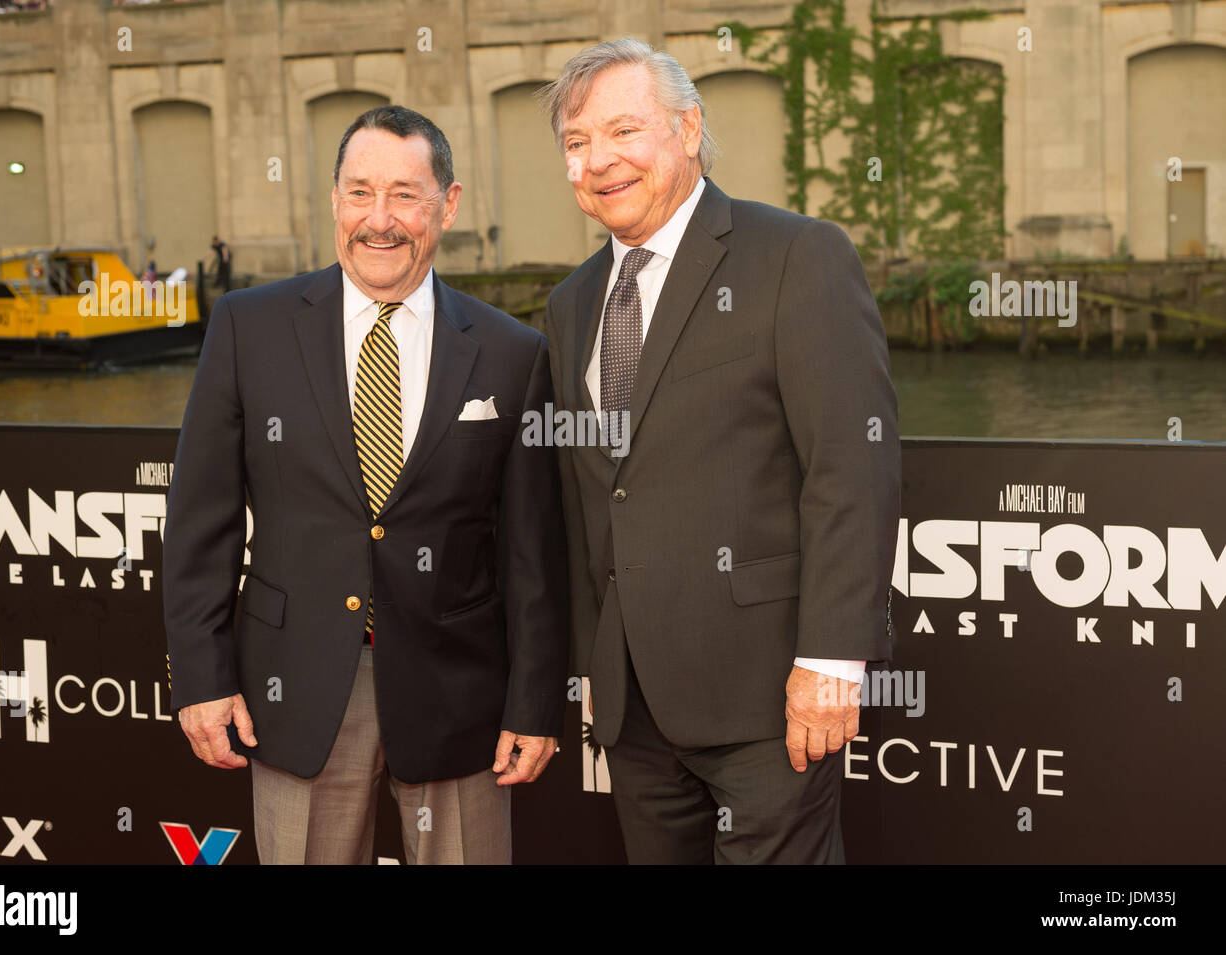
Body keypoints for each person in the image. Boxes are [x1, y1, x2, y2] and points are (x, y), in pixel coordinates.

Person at [163, 105, 568, 865]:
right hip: (297, 689)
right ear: (335, 200)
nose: (379, 220)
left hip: (459, 694)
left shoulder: (514, 353)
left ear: (447, 205)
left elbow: (532, 553)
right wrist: (200, 678)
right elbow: (200, 522)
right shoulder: (249, 326)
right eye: (359, 192)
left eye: (405, 194)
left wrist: (537, 701)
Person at [539, 39, 901, 864]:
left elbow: (852, 466)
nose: (600, 161)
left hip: (769, 697)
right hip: (632, 709)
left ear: (689, 128)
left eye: (624, 130)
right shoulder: (570, 304)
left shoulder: (796, 256)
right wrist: (594, 670)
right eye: (576, 141)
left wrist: (832, 659)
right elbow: (591, 497)